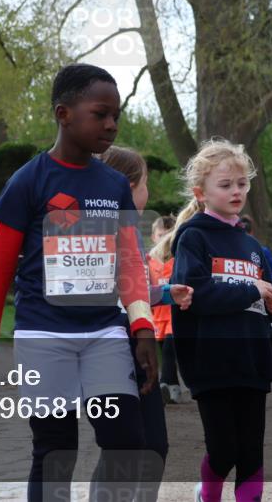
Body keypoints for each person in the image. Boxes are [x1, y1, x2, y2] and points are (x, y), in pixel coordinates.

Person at [0, 64, 158, 502]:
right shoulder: (28, 182)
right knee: (55, 450)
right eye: (100, 114)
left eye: (116, 116)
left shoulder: (114, 185)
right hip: (42, 335)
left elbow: (129, 266)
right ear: (63, 114)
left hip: (105, 334)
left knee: (126, 441)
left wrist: (142, 329)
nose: (111, 124)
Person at [166, 139, 272, 502]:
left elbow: (271, 296)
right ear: (200, 192)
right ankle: (209, 493)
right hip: (211, 363)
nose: (236, 191)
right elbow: (196, 295)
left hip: (253, 362)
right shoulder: (193, 238)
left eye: (242, 183)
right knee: (224, 451)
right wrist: (252, 289)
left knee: (251, 454)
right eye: (225, 184)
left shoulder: (253, 246)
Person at [100, 145, 193, 501]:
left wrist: (167, 293)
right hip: (109, 344)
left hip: (141, 343)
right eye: (145, 184)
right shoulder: (95, 232)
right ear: (127, 186)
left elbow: (134, 289)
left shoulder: (133, 234)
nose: (148, 192)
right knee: (121, 447)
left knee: (155, 444)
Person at [149, 215, 185, 404]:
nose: (164, 238)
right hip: (157, 315)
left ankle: (163, 384)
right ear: (154, 237)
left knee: (171, 349)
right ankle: (173, 387)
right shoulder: (148, 261)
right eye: (160, 235)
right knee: (164, 351)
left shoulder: (179, 258)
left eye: (168, 235)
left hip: (174, 313)